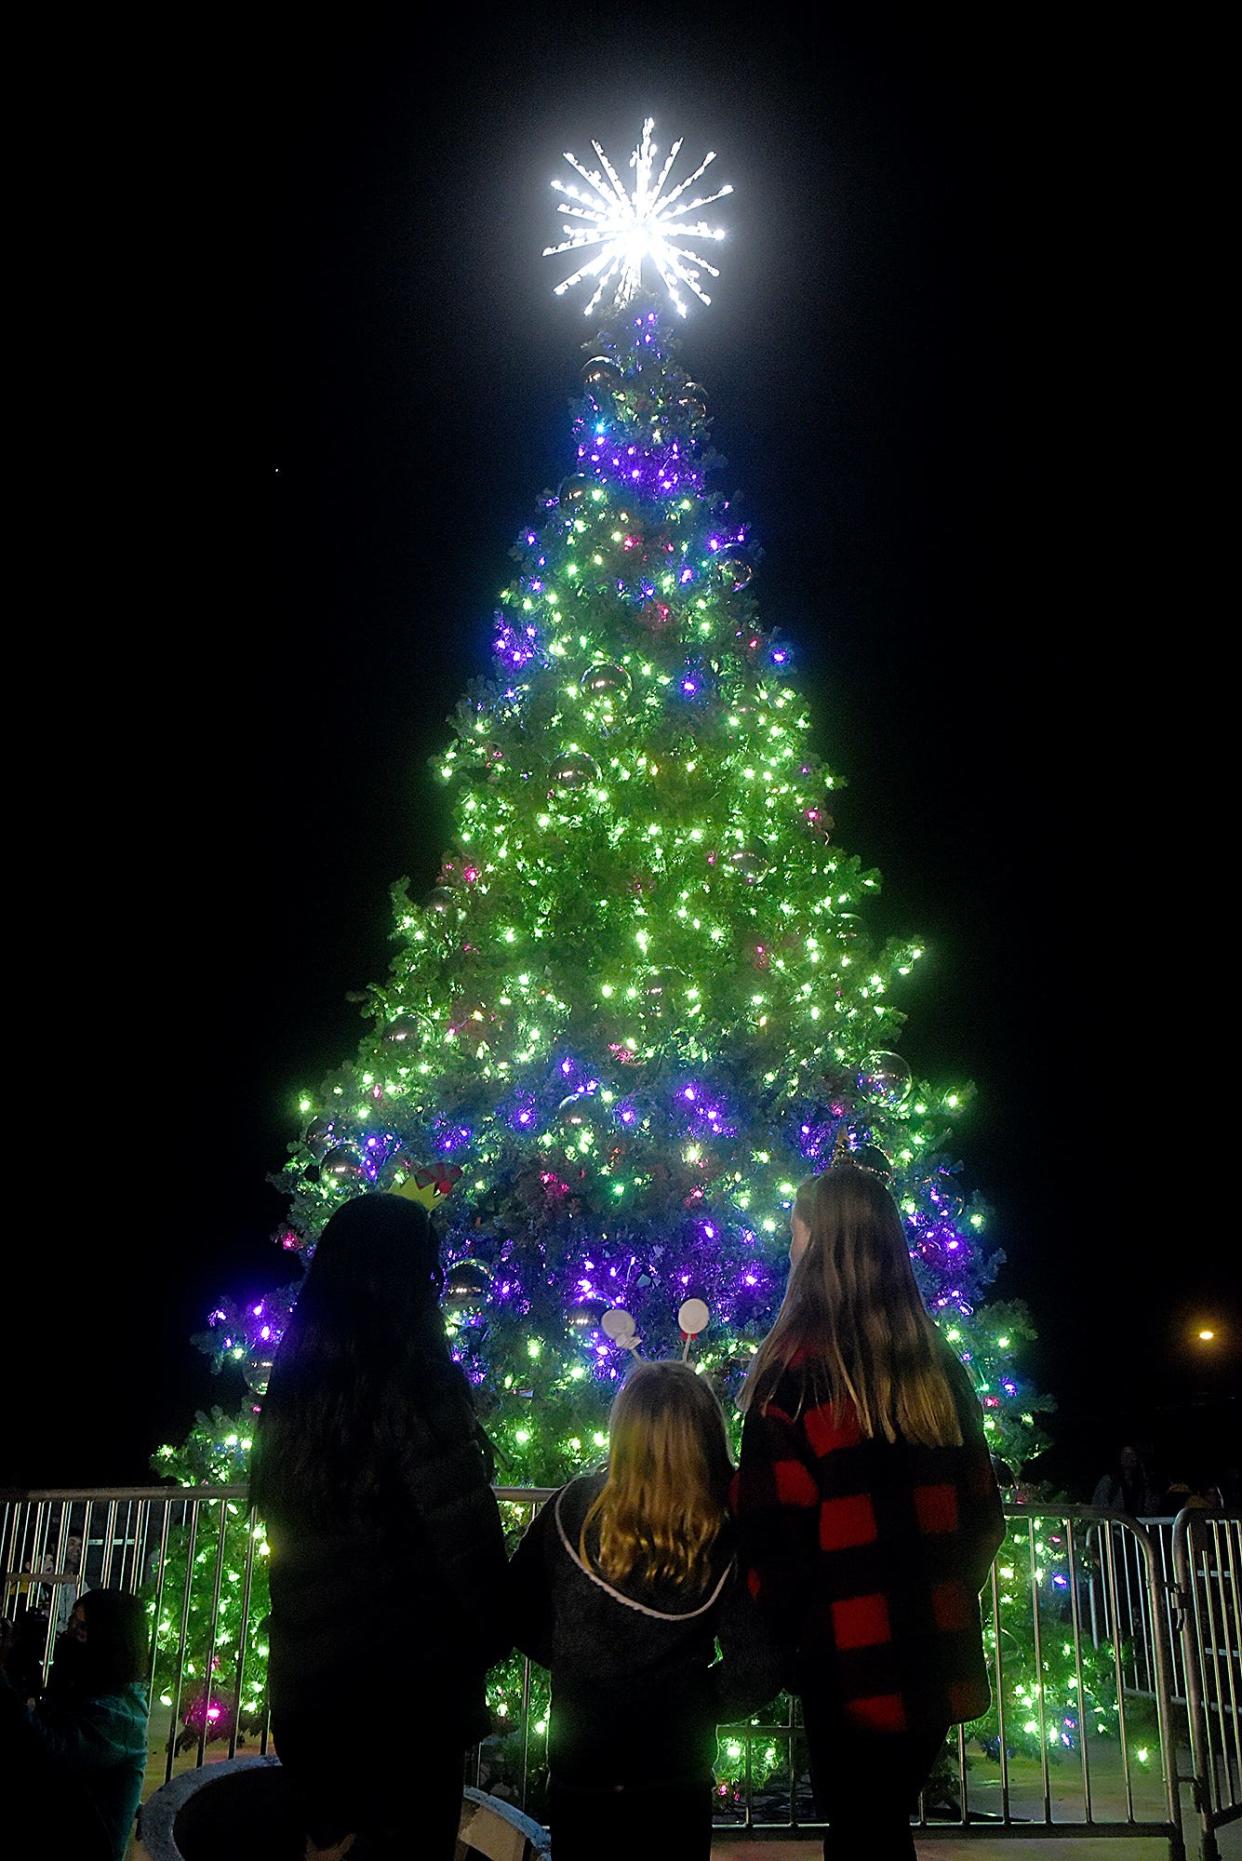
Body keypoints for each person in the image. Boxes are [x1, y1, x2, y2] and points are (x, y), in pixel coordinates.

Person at [732, 1163, 1005, 1861]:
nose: (788, 1244)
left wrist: (795, 1639)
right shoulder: (938, 1368)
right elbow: (982, 1516)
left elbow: (772, 1538)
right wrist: (937, 1594)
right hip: (931, 1656)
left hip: (845, 1665)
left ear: (819, 1242)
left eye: (795, 1229)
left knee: (860, 1831)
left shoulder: (794, 1376)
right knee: (880, 1827)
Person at [250, 1191, 509, 1861]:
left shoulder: (295, 1389)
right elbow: (466, 1542)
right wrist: (497, 1628)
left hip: (312, 1694)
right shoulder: (415, 1383)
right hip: (406, 1702)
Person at [507, 1359, 782, 1861]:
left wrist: (572, 1659)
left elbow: (516, 1609)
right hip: (674, 1767)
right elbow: (758, 1667)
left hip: (581, 1758)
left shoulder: (571, 1510)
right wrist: (696, 1705)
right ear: (704, 1434)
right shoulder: (723, 1537)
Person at [0, 1587, 150, 1861]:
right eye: (71, 1624)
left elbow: (44, 1753)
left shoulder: (119, 1714)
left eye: (82, 1628)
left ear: (111, 1640)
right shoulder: (88, 1688)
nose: (70, 1635)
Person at [1091, 1446, 1158, 1516]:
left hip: (1135, 1524)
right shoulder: (1109, 1481)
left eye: (1132, 1454)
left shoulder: (1143, 1484)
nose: (1129, 1458)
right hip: (1114, 1524)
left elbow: (1150, 1509)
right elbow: (1099, 1506)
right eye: (1125, 1454)